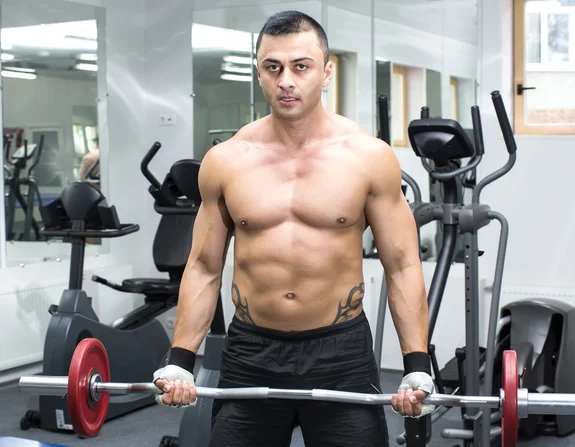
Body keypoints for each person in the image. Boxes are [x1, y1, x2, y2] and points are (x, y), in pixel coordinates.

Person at [153, 10, 434, 446]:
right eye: (273, 67)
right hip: (251, 352)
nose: (286, 80)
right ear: (259, 72)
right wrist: (179, 360)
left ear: (326, 72)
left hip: (340, 353)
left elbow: (402, 265)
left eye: (300, 66)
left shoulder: (368, 157)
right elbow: (205, 266)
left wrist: (417, 363)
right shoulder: (226, 160)